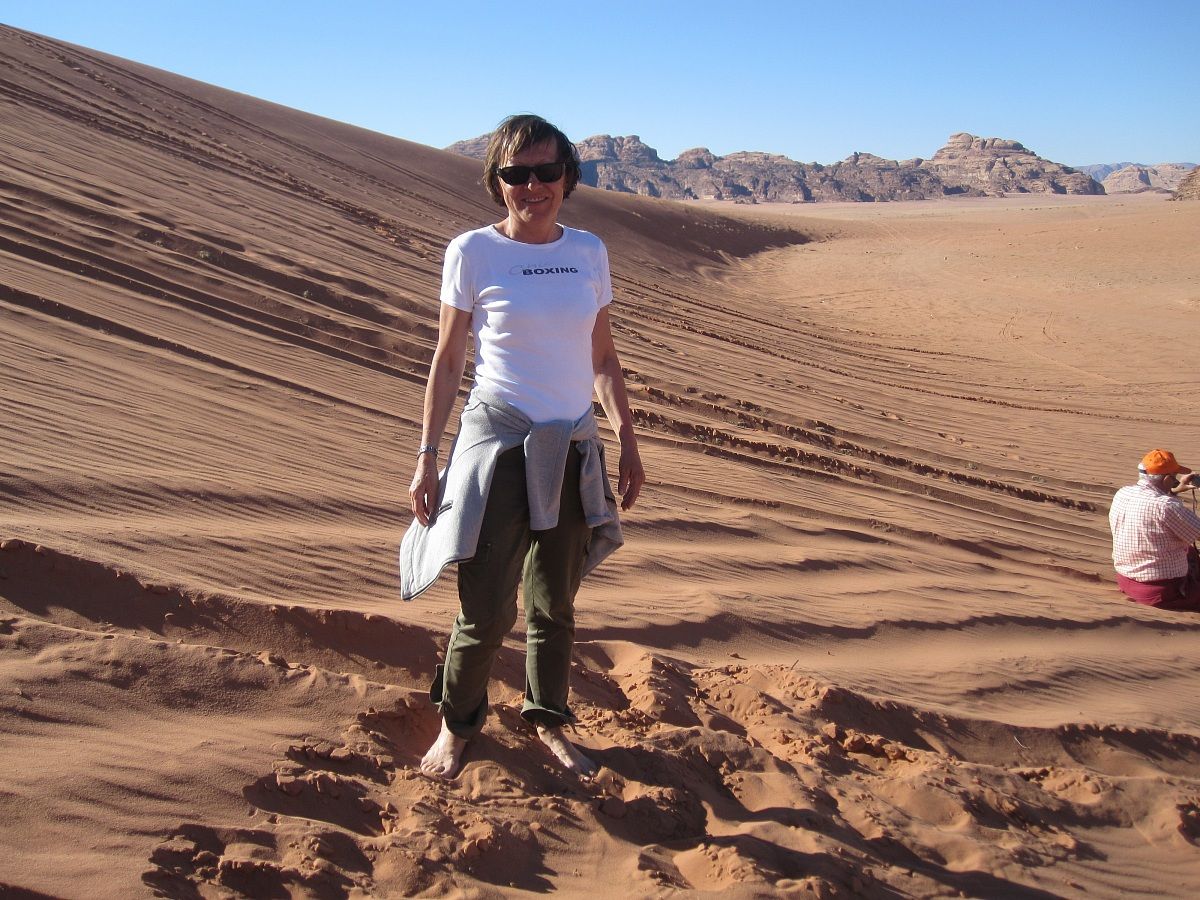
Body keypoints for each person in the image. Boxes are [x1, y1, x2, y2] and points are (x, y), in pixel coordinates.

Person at [399, 114, 644, 779]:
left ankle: (550, 720)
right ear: (496, 181)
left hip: (570, 448)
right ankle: (456, 723)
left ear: (568, 177)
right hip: (499, 446)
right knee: (483, 607)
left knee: (554, 606)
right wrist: (427, 456)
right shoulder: (473, 252)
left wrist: (625, 437)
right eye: (515, 174)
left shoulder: (589, 250)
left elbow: (602, 356)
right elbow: (448, 361)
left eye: (546, 172)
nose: (531, 186)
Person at [1108, 449, 1200, 611]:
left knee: (1190, 552)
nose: (1175, 481)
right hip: (1163, 592)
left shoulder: (1122, 493)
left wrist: (1176, 489)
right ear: (1167, 479)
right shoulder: (1167, 506)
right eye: (1174, 477)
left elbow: (1153, 501)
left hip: (1125, 581)